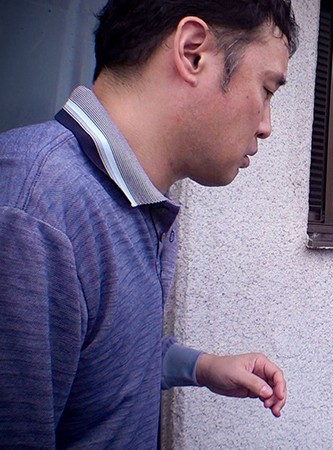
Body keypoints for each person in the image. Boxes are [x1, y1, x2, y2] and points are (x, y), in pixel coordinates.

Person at [0, 0, 298, 447]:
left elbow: (96, 364)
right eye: (267, 89)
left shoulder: (127, 200)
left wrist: (199, 367)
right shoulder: (33, 216)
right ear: (193, 52)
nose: (266, 127)